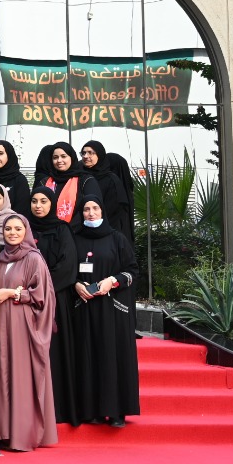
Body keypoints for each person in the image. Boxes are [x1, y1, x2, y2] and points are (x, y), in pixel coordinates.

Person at [72, 183, 140, 427]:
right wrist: (77, 284)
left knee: (112, 357)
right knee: (88, 358)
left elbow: (132, 270)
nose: (90, 213)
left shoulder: (117, 238)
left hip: (112, 309)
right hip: (85, 307)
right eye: (86, 209)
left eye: (94, 208)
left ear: (102, 211)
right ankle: (92, 411)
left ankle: (117, 412)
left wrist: (113, 280)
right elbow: (68, 270)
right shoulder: (75, 238)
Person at [0, 213, 58, 451]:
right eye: (8, 228)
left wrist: (14, 293)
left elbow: (43, 296)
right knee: (2, 373)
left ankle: (22, 434)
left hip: (22, 325)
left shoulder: (33, 259)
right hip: (0, 325)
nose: (12, 233)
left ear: (26, 231)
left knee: (20, 376)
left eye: (18, 228)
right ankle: (4, 431)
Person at [28, 188, 80, 425]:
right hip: (27, 302)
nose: (38, 205)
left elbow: (68, 265)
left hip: (56, 300)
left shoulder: (62, 229)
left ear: (52, 204)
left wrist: (42, 290)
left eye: (43, 201)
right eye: (34, 201)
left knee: (56, 353)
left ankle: (58, 409)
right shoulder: (25, 229)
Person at [79, 140, 134, 237]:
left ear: (99, 155)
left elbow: (114, 211)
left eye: (90, 153)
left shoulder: (111, 180)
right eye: (83, 153)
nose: (86, 156)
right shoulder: (79, 176)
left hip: (106, 232)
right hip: (81, 231)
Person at [0, 140, 32, 219]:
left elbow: (22, 210)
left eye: (0, 153)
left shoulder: (19, 180)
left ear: (9, 155)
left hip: (11, 227)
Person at [40, 142, 83, 224]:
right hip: (48, 230)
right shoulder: (45, 182)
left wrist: (65, 230)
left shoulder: (84, 180)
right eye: (55, 157)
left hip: (76, 232)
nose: (59, 160)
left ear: (71, 157)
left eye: (63, 156)